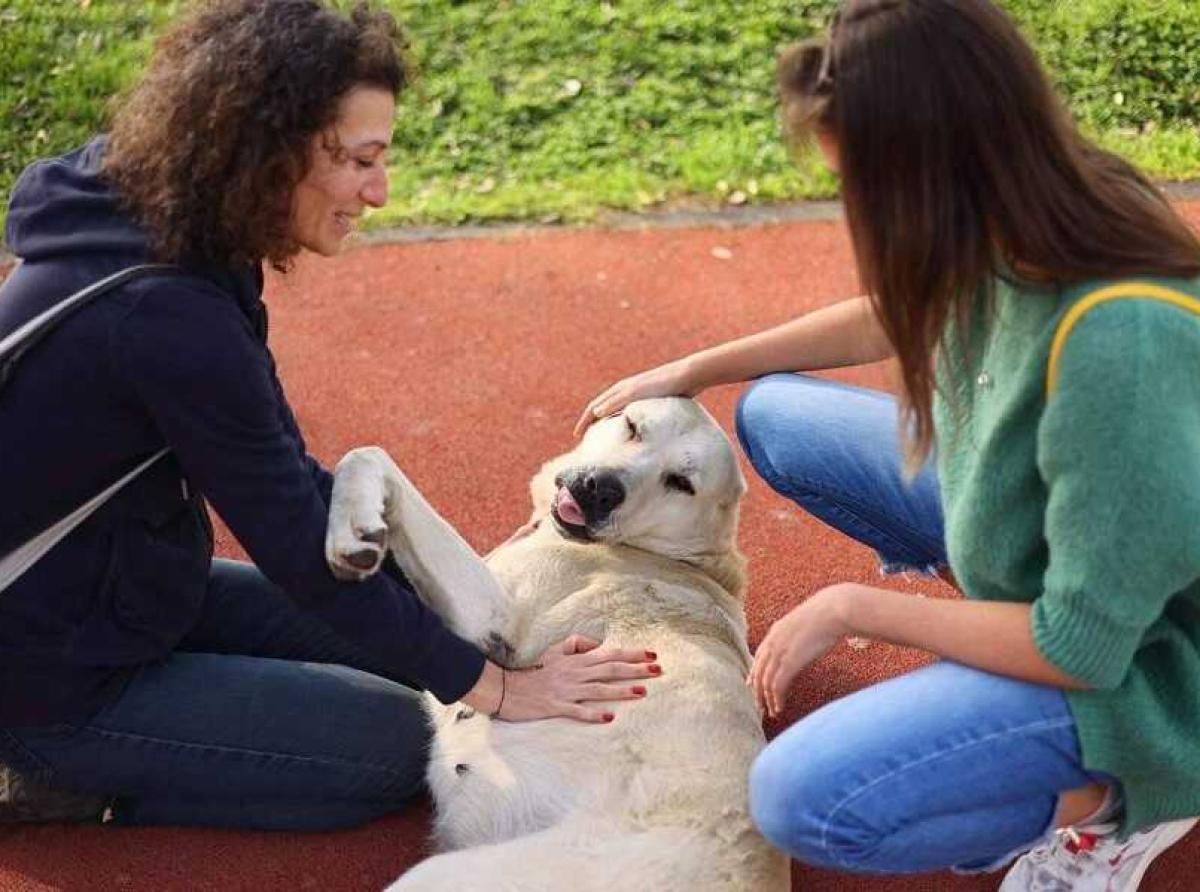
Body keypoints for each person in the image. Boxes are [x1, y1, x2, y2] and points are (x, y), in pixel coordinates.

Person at [576, 0, 1200, 887]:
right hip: (1054, 550)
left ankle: (1124, 800)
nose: (853, 210)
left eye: (860, 183)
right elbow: (896, 314)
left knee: (801, 799)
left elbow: (1081, 649)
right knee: (775, 414)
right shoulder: (1028, 203)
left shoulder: (1117, 342)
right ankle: (999, 653)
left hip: (1156, 667)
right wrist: (694, 366)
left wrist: (852, 607)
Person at [0, 0, 658, 830]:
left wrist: (470, 626)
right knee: (396, 741)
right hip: (47, 678)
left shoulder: (151, 215)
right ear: (269, 150)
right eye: (361, 161)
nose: (378, 193)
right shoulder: (169, 317)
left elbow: (291, 481)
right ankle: (68, 782)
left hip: (120, 591)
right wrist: (501, 689)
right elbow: (302, 551)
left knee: (426, 651)